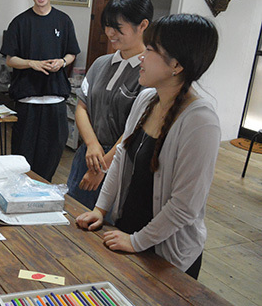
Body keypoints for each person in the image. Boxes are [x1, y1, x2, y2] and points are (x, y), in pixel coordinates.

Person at [76, 14, 220, 279]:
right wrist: (100, 209)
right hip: (127, 231)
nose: (142, 56)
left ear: (176, 65)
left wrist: (137, 242)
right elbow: (120, 158)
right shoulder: (146, 99)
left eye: (151, 50)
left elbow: (184, 206)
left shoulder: (200, 122)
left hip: (166, 253)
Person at [67, 0, 154, 210]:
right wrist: (92, 145)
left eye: (118, 28)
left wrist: (103, 166)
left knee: (104, 229)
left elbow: (137, 127)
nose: (109, 33)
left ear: (143, 25)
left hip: (119, 163)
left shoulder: (149, 72)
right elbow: (82, 106)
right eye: (107, 26)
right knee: (73, 214)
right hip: (88, 154)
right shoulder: (100, 63)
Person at [0, 0, 81, 182]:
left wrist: (62, 62)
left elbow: (72, 53)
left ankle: (42, 197)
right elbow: (10, 59)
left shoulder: (63, 21)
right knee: (22, 160)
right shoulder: (20, 22)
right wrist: (32, 63)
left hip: (55, 103)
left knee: (50, 158)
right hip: (28, 103)